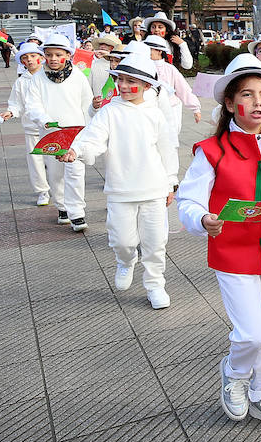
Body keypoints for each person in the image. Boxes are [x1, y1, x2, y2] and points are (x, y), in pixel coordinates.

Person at [177, 54, 261, 431]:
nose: (257, 103)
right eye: (248, 95)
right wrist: (202, 219)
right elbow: (188, 200)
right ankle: (235, 374)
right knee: (252, 333)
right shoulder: (212, 151)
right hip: (232, 252)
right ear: (229, 103)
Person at [62, 43, 178, 309]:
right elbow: (92, 139)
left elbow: (167, 150)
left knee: (155, 241)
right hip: (120, 189)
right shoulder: (109, 112)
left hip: (153, 189)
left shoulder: (156, 115)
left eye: (131, 81)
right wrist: (76, 151)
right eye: (120, 79)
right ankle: (126, 261)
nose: (124, 85)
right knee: (123, 240)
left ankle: (155, 284)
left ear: (147, 86)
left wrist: (171, 182)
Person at [23, 33, 94, 232]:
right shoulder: (37, 78)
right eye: (49, 55)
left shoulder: (79, 77)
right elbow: (32, 104)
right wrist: (45, 121)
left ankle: (77, 213)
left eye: (58, 54)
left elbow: (86, 104)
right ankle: (62, 206)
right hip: (51, 133)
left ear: (68, 55)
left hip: (76, 133)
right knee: (55, 173)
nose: (53, 59)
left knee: (76, 172)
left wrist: (88, 129)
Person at [1, 43, 50, 206]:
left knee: (55, 161)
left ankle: (60, 190)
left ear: (41, 58)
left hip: (51, 127)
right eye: (25, 58)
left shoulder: (50, 77)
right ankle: (42, 191)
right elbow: (16, 103)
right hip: (32, 128)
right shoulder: (21, 82)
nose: (29, 60)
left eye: (32, 56)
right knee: (35, 161)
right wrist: (11, 112)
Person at [143, 34, 200, 141]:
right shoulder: (142, 67)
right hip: (149, 109)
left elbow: (183, 88)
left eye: (150, 49)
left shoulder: (169, 69)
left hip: (170, 108)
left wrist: (195, 108)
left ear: (159, 51)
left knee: (169, 140)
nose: (147, 52)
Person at [89, 34, 123, 108]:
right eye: (101, 44)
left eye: (107, 44)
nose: (102, 46)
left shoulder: (122, 67)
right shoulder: (93, 64)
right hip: (99, 107)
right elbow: (89, 89)